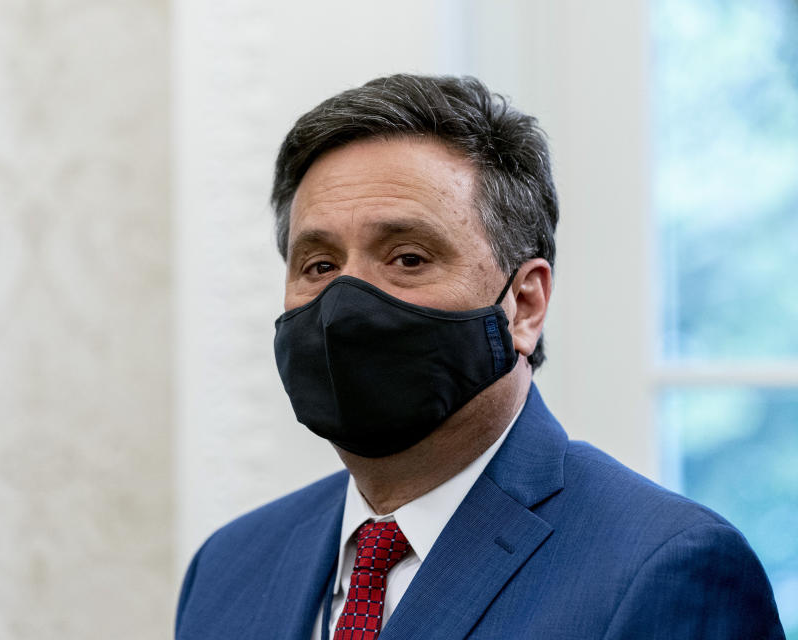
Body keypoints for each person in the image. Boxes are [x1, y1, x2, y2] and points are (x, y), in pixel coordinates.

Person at [175, 74, 785, 639]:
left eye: (408, 258)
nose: (343, 304)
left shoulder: (664, 567)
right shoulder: (229, 567)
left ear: (523, 305)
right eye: (319, 266)